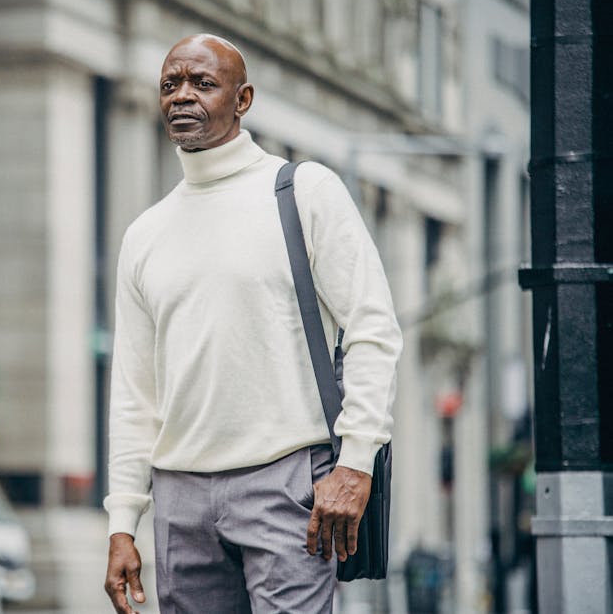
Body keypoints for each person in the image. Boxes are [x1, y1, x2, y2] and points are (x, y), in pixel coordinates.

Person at [103, 34, 402, 614]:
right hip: (179, 499)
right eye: (170, 84)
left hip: (286, 482)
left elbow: (373, 329)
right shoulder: (144, 234)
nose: (182, 95)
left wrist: (355, 461)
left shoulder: (303, 192)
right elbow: (134, 393)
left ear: (243, 100)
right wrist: (122, 521)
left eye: (202, 83)